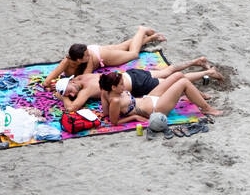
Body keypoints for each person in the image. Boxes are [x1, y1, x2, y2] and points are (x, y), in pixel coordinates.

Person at [55, 57, 220, 113]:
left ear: (71, 82)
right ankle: (197, 62)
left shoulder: (88, 89)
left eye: (68, 92)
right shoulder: (83, 77)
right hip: (131, 73)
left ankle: (208, 76)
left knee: (176, 81)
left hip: (136, 84)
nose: (71, 95)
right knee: (169, 73)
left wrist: (61, 97)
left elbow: (71, 108)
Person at [42, 26, 165, 84]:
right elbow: (51, 76)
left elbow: (84, 79)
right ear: (78, 59)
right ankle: (149, 39)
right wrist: (48, 85)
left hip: (102, 55)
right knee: (122, 47)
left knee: (132, 54)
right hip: (96, 50)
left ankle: (141, 30)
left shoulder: (88, 59)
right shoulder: (66, 61)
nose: (88, 56)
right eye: (86, 55)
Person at [101, 73, 224, 125]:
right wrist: (134, 117)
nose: (124, 86)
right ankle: (208, 109)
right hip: (156, 108)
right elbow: (114, 122)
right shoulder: (115, 101)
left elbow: (105, 113)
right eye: (121, 84)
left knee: (178, 76)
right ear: (113, 87)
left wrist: (103, 95)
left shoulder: (107, 92)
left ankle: (196, 95)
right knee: (183, 83)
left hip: (148, 98)